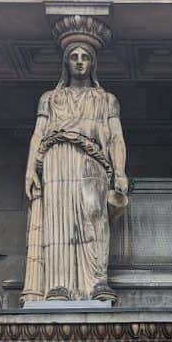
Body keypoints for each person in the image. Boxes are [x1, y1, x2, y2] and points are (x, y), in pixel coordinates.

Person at [22, 41, 128, 304]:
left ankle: (97, 282)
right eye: (74, 57)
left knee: (94, 214)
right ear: (66, 63)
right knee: (58, 218)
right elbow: (37, 134)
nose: (80, 61)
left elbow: (116, 137)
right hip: (56, 158)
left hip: (92, 158)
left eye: (85, 57)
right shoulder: (50, 98)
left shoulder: (106, 99)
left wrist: (120, 172)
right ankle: (59, 285)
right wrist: (29, 170)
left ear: (92, 64)